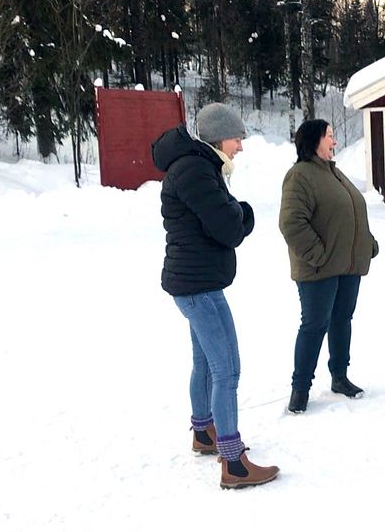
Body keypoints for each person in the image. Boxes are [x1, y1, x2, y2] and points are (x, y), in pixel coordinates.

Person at [153, 102, 279, 489]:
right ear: (219, 136)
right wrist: (244, 212)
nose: (240, 145)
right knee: (227, 367)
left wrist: (233, 211)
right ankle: (233, 462)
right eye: (237, 137)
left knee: (206, 363)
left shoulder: (198, 166)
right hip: (199, 287)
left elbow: (220, 219)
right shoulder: (195, 169)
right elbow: (228, 226)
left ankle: (204, 432)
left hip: (197, 282)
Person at [279, 119, 379, 415]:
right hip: (318, 269)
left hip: (346, 266)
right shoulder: (300, 175)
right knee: (314, 325)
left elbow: (350, 212)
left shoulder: (333, 172)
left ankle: (340, 376)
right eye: (330, 136)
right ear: (314, 140)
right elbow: (291, 223)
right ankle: (301, 388)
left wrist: (366, 243)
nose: (334, 142)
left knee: (341, 320)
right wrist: (318, 254)